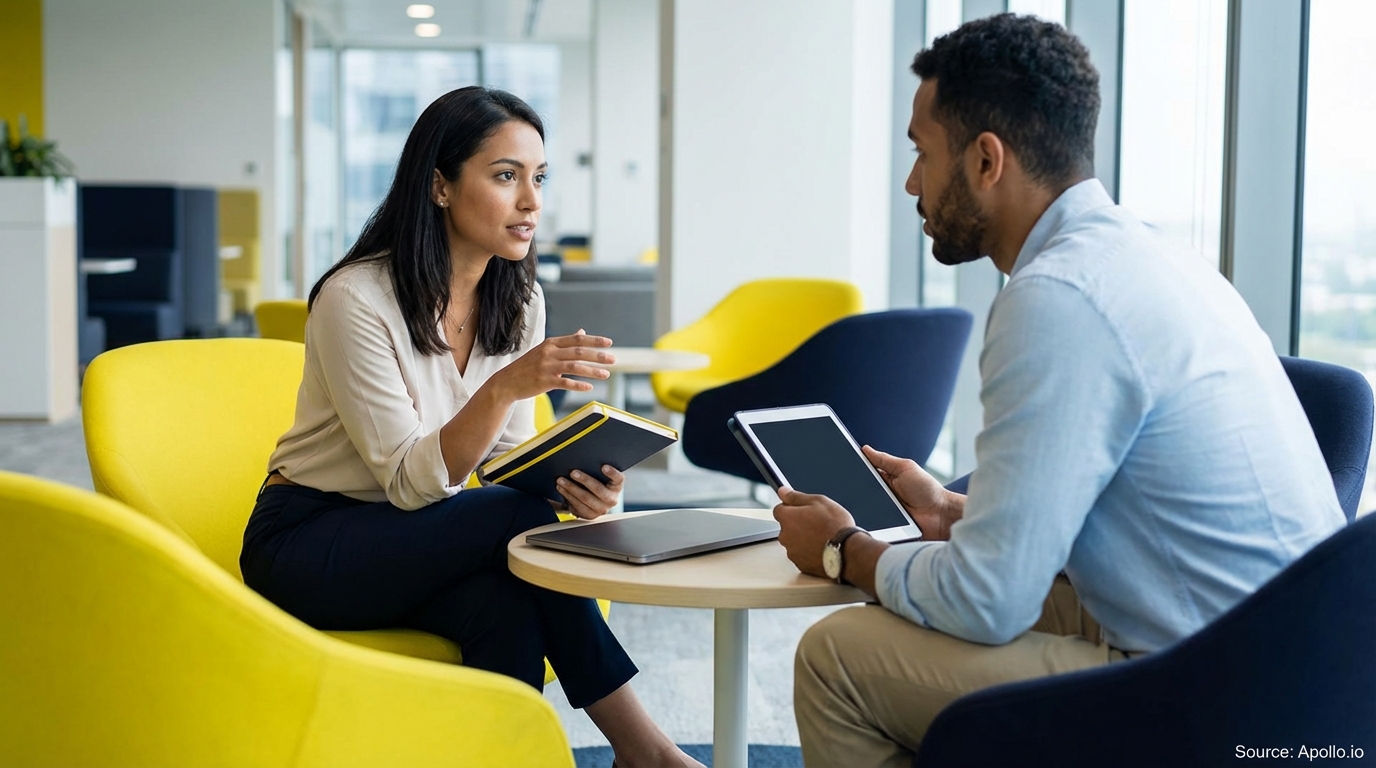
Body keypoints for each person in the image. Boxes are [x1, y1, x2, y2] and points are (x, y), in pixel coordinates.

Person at [772, 14, 1345, 768]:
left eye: (921, 154)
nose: (911, 183)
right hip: (1304, 670)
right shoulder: (1151, 258)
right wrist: (953, 514)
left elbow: (988, 602)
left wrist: (848, 553)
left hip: (1215, 697)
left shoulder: (1057, 299)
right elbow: (1114, 519)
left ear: (985, 161)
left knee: (835, 657)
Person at [240, 86, 701, 768]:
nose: (532, 203)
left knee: (506, 602)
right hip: (308, 542)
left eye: (539, 178)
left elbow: (506, 459)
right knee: (507, 523)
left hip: (432, 536)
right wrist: (508, 384)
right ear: (440, 186)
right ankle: (647, 751)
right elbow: (407, 481)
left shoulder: (519, 299)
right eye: (506, 175)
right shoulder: (354, 299)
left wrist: (575, 486)